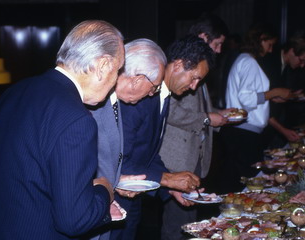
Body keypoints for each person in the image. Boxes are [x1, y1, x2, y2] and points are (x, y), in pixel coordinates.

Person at [0, 20, 124, 240]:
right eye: (118, 70)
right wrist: (103, 191)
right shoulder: (77, 119)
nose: (116, 80)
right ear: (103, 66)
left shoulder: (13, 92)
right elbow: (74, 221)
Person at [110, 35, 215, 240]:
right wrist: (168, 179)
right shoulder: (138, 97)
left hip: (133, 200)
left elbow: (149, 154)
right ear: (177, 65)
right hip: (113, 200)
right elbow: (120, 158)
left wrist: (171, 189)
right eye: (194, 78)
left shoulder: (164, 95)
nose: (194, 87)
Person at [83, 38, 167, 240]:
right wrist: (112, 183)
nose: (151, 94)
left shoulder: (118, 102)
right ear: (138, 79)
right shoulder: (91, 101)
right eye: (154, 86)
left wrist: (116, 181)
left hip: (106, 202)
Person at [159, 14, 233, 240]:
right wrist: (207, 119)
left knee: (191, 225)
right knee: (176, 226)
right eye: (217, 43)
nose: (219, 50)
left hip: (194, 157)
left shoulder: (197, 67)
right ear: (203, 37)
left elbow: (199, 107)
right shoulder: (177, 68)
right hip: (176, 160)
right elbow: (171, 112)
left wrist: (218, 113)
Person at [221, 24, 293, 193]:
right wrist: (274, 92)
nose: (270, 50)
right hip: (245, 133)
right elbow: (247, 98)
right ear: (261, 40)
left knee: (242, 182)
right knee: (251, 184)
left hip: (242, 132)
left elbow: (250, 95)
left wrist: (270, 97)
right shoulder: (249, 62)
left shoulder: (244, 59)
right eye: (270, 45)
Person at [260, 36, 305, 148]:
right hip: (261, 127)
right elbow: (260, 101)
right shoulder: (270, 62)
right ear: (292, 51)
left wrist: (289, 96)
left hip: (274, 125)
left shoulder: (286, 66)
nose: (302, 65)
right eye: (301, 60)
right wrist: (283, 130)